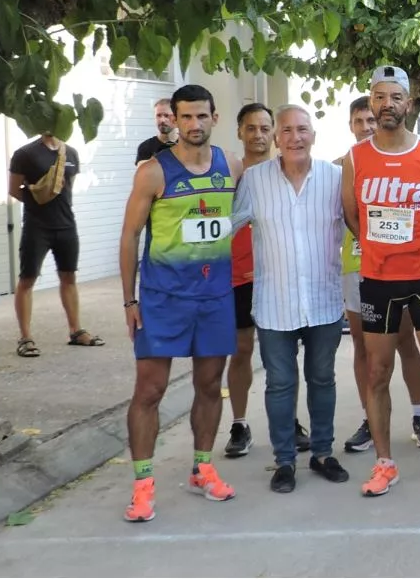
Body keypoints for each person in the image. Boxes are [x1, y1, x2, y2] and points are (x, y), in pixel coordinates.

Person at [341, 65, 420, 495]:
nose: (387, 105)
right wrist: (381, 248)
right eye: (379, 97)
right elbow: (352, 216)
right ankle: (384, 464)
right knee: (378, 371)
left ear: (409, 104)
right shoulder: (356, 158)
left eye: (395, 98)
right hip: (378, 280)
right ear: (371, 103)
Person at [118, 84, 244, 522]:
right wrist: (128, 299)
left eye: (201, 116)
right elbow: (130, 236)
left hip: (214, 298)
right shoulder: (153, 172)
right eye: (185, 116)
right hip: (162, 299)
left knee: (210, 386)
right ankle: (143, 484)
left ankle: (202, 468)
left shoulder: (231, 165)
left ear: (214, 117)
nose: (194, 124)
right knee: (149, 391)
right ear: (173, 119)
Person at [231, 105, 349, 492]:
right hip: (274, 303)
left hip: (323, 301)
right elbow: (226, 228)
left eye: (303, 130)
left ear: (314, 135)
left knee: (322, 380)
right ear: (276, 138)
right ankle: (284, 461)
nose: (295, 137)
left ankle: (322, 453)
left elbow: (361, 226)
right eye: (287, 131)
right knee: (279, 385)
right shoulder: (254, 180)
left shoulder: (335, 179)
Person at [336, 97, 420, 454]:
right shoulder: (344, 165)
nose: (366, 126)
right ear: (351, 125)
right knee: (365, 349)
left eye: (369, 119)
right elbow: (343, 217)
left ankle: (419, 414)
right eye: (358, 120)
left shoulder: (402, 161)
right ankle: (369, 417)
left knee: (407, 341)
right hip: (357, 268)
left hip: (401, 269)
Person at [225, 103, 310, 458]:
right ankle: (240, 424)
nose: (258, 135)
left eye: (264, 128)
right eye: (251, 128)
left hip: (279, 275)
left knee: (284, 356)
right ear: (240, 132)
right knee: (242, 350)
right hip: (239, 277)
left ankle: (288, 421)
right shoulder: (229, 173)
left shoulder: (288, 171)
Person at [9, 130, 92, 357]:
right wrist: (39, 201)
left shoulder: (72, 153)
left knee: (69, 276)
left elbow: (68, 189)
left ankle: (76, 331)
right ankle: (25, 338)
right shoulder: (25, 154)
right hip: (37, 227)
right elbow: (14, 190)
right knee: (27, 279)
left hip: (66, 225)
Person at [135, 99, 177, 165]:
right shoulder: (146, 147)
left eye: (166, 115)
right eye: (158, 115)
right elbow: (141, 170)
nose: (162, 120)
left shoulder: (188, 145)